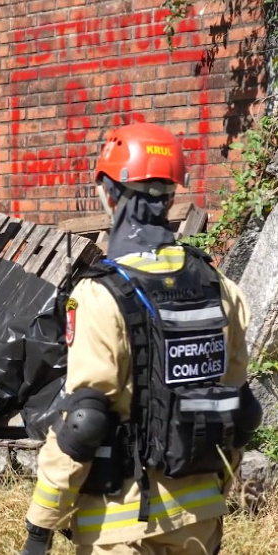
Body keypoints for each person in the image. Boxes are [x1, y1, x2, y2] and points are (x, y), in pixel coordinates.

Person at [19, 122, 263, 555]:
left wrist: (40, 526)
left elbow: (85, 423)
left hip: (120, 522)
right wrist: (216, 490)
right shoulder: (219, 285)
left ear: (108, 194)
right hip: (201, 518)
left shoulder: (98, 295)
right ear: (171, 195)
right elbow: (239, 409)